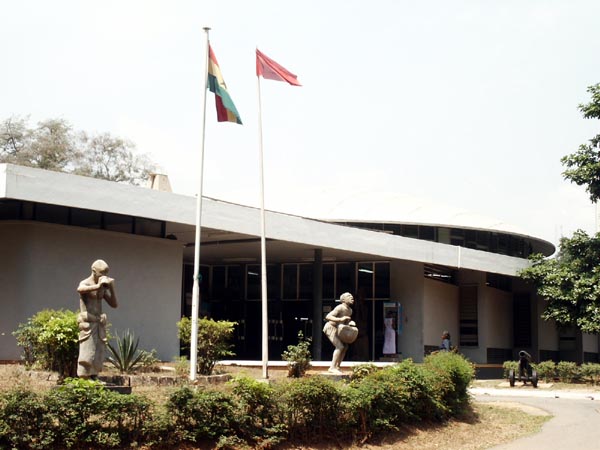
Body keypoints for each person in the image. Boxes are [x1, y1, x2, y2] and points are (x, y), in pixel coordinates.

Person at [77, 259, 118, 378]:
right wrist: (97, 286)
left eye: (106, 274)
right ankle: (84, 377)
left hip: (99, 323)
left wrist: (111, 288)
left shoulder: (102, 288)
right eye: (101, 274)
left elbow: (114, 304)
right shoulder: (86, 283)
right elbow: (79, 289)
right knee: (87, 351)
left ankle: (94, 376)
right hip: (88, 322)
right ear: (94, 271)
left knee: (98, 351)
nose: (104, 277)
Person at [323, 292, 355, 374]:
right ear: (343, 300)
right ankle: (332, 367)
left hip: (338, 329)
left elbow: (346, 322)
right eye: (349, 296)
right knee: (340, 346)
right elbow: (328, 316)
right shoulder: (340, 307)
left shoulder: (350, 310)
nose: (352, 297)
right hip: (330, 327)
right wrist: (340, 319)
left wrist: (350, 323)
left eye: (352, 296)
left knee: (345, 347)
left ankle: (337, 366)